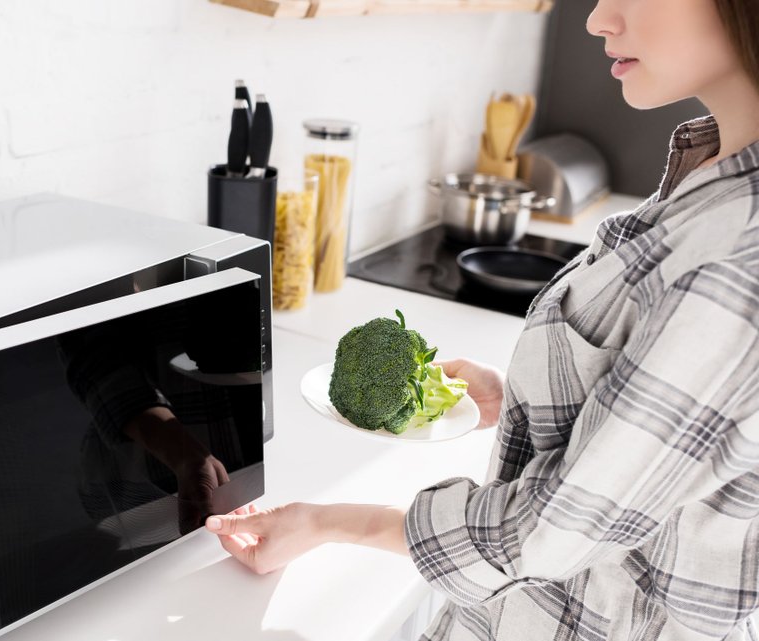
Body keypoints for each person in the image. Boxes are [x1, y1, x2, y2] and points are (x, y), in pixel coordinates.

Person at [204, 0, 759, 638]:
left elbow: (544, 534)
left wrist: (327, 521)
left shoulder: (737, 252)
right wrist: (536, 395)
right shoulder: (715, 176)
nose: (597, 19)